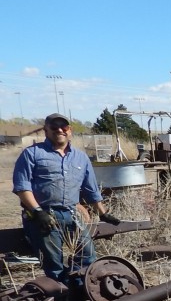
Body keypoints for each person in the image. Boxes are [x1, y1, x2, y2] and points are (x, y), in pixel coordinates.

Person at [12, 112, 120, 286]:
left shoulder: (81, 157)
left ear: (70, 131)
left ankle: (81, 292)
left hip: (72, 213)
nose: (60, 130)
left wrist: (103, 213)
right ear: (46, 131)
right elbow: (22, 187)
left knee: (87, 256)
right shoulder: (32, 154)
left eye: (64, 127)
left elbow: (90, 189)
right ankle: (62, 298)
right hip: (44, 215)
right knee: (54, 264)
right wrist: (37, 212)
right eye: (54, 127)